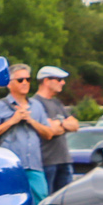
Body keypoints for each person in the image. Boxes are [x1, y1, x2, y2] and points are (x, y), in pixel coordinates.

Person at [0, 62, 54, 205]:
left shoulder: (36, 106)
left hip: (34, 166)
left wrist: (30, 120)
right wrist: (12, 121)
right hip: (9, 167)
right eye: (20, 80)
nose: (25, 83)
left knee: (41, 204)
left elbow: (49, 133)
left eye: (28, 79)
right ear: (9, 84)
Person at [35, 65, 79, 193]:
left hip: (64, 160)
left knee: (66, 200)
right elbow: (51, 130)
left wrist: (59, 123)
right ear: (46, 81)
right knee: (48, 200)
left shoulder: (56, 103)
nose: (63, 83)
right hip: (47, 162)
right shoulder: (36, 103)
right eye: (59, 79)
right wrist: (64, 124)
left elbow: (75, 125)